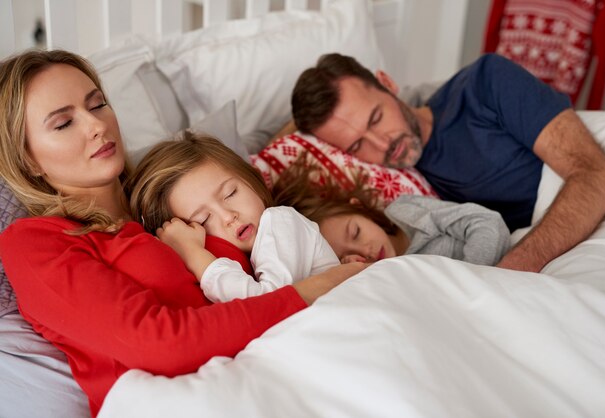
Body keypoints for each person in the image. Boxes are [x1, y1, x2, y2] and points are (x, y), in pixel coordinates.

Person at [0, 49, 364, 417]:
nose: (97, 126)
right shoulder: (34, 241)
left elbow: (266, 205)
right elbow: (159, 345)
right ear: (26, 157)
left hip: (283, 370)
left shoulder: (169, 198)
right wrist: (315, 289)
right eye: (63, 123)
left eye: (97, 105)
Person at [289, 53, 605, 272]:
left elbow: (596, 175)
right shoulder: (406, 193)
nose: (383, 144)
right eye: (358, 144)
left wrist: (512, 268)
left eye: (376, 118)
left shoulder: (485, 83)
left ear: (389, 85)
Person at [128, 131, 340, 303]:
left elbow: (268, 305)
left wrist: (194, 255)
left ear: (250, 178)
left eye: (230, 193)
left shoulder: (281, 222)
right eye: (203, 220)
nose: (229, 216)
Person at [273, 160, 511, 266]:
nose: (366, 251)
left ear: (360, 208)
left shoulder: (406, 212)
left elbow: (487, 222)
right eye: (345, 256)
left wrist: (472, 280)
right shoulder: (373, 277)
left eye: (356, 233)